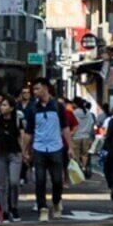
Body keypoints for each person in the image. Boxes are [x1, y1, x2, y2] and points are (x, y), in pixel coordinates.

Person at [28, 88, 70, 217]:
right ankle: (43, 208)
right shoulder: (33, 109)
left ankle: (56, 202)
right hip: (39, 148)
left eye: (38, 88)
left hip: (56, 148)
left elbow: (65, 127)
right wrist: (25, 149)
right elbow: (29, 131)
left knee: (57, 180)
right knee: (40, 181)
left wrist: (70, 147)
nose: (35, 91)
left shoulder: (58, 107)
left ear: (45, 89)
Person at [0, 95, 25, 222]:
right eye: (1, 105)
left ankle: (14, 207)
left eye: (5, 105)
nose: (2, 107)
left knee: (14, 182)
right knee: (2, 185)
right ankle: (4, 210)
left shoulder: (17, 119)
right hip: (0, 154)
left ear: (11, 107)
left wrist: (24, 153)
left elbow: (21, 137)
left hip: (15, 153)